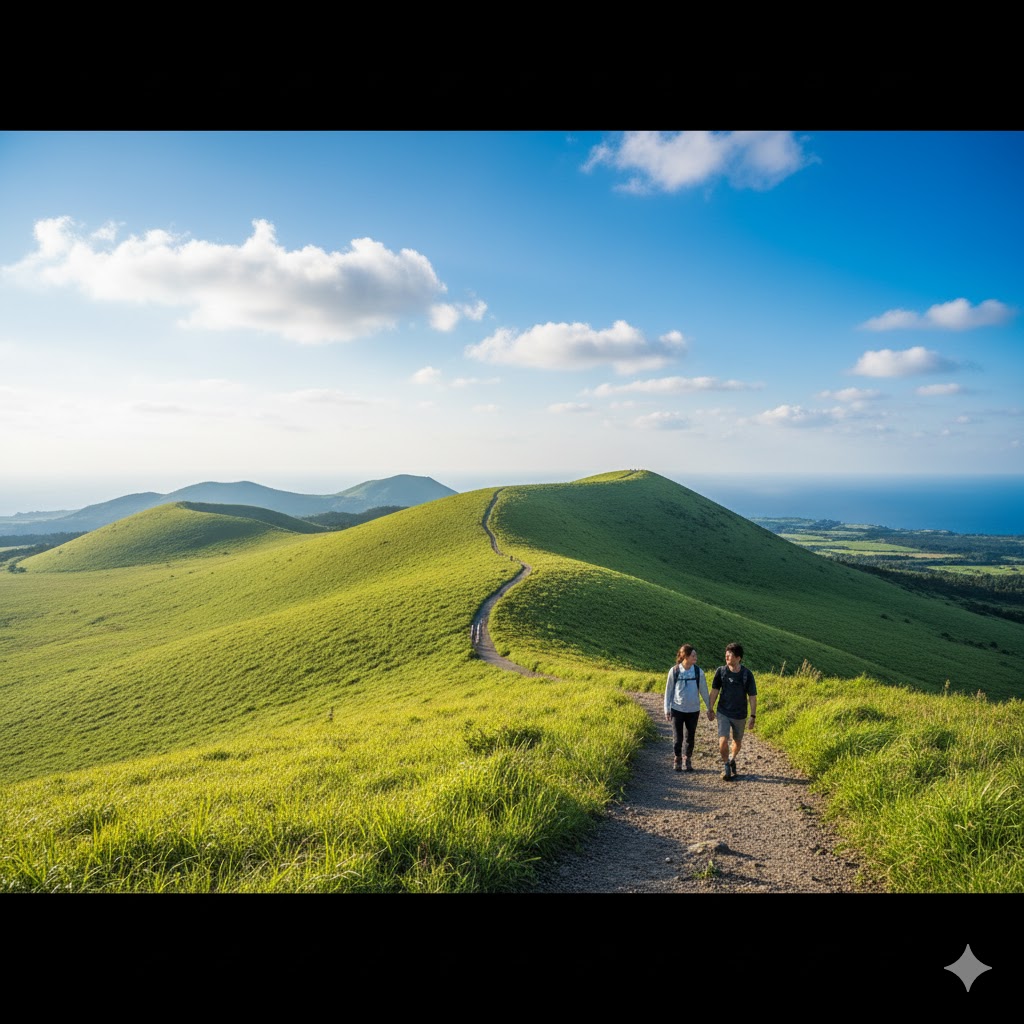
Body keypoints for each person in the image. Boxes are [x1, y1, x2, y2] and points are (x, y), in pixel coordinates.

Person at [708, 642, 757, 780]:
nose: (727, 658)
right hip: (723, 712)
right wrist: (710, 708)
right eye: (726, 655)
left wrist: (753, 715)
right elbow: (714, 691)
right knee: (723, 740)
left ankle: (732, 758)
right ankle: (725, 765)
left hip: (740, 714)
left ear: (738, 658)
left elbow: (752, 696)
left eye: (730, 656)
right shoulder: (721, 671)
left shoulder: (747, 675)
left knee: (737, 741)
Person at [664, 643, 714, 772]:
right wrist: (667, 709)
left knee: (690, 736)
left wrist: (709, 708)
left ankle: (688, 758)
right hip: (677, 709)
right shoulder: (674, 671)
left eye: (695, 655)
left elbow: (704, 691)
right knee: (677, 737)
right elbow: (668, 691)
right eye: (693, 655)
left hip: (693, 710)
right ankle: (677, 758)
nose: (695, 657)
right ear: (685, 656)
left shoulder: (698, 672)